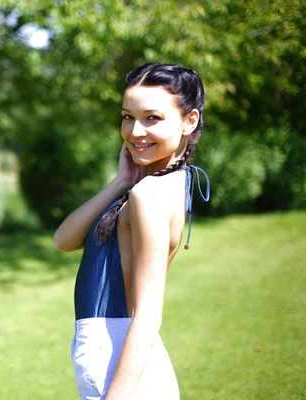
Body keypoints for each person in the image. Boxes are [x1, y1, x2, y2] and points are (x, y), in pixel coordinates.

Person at [54, 62, 210, 400]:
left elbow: (148, 316)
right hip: (116, 354)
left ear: (189, 120)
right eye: (128, 117)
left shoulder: (149, 195)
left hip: (122, 362)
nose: (135, 131)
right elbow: (64, 240)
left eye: (152, 118)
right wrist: (121, 181)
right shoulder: (154, 184)